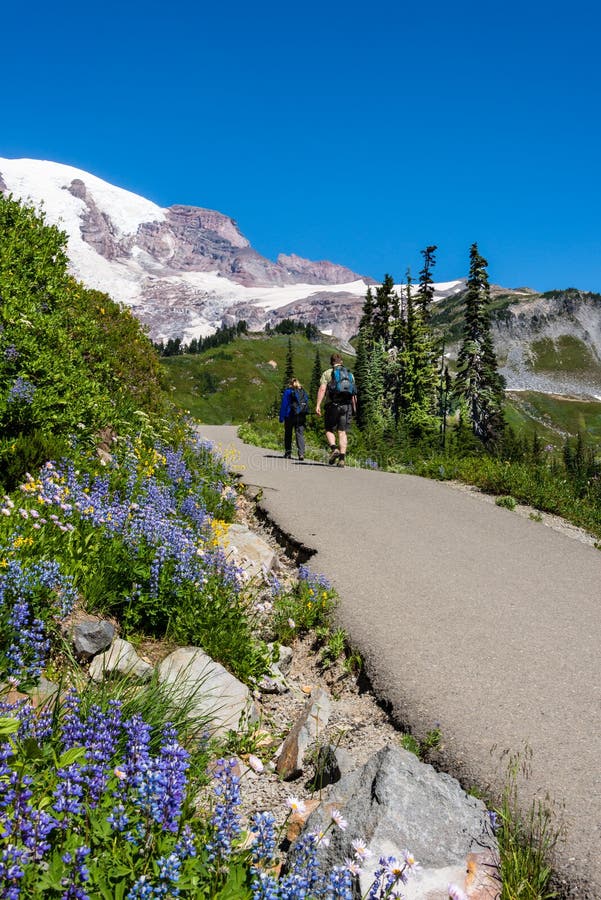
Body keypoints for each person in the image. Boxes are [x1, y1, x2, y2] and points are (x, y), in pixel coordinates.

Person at [315, 353, 357, 467]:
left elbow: (322, 389)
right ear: (341, 362)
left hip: (332, 405)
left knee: (329, 429)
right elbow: (353, 394)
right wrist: (354, 408)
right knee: (342, 432)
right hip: (346, 406)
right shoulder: (350, 375)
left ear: (331, 362)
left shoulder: (328, 373)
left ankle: (334, 448)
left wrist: (318, 405)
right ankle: (342, 459)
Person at [279, 378, 309, 460]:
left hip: (290, 416)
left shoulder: (288, 391)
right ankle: (301, 454)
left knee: (288, 434)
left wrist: (281, 417)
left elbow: (284, 405)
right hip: (301, 416)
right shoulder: (303, 392)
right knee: (299, 434)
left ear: (290, 384)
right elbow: (306, 403)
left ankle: (288, 453)